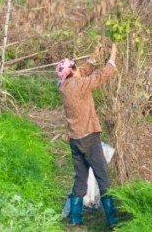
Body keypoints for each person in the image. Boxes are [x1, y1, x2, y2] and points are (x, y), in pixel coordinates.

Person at [56, 43, 118, 228]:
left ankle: (75, 218)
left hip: (75, 140)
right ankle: (112, 221)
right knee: (103, 177)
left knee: (80, 178)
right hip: (89, 138)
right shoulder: (79, 85)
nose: (78, 69)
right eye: (75, 67)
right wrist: (112, 56)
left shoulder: (64, 85)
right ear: (72, 71)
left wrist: (94, 55)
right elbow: (100, 76)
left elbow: (82, 71)